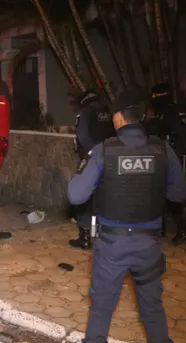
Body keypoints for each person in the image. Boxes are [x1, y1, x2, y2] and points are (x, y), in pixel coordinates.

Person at [66, 89, 186, 343]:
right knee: (152, 307)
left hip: (112, 245)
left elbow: (75, 195)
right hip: (148, 244)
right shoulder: (162, 150)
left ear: (119, 117)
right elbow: (179, 194)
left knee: (102, 307)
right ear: (144, 116)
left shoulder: (104, 150)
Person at [69, 89, 116, 250]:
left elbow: (82, 136)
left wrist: (93, 154)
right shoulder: (108, 113)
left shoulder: (85, 112)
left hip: (90, 160)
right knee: (105, 197)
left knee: (83, 197)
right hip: (110, 159)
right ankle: (106, 236)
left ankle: (85, 237)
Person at [148, 82, 186, 245]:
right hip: (162, 158)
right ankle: (161, 229)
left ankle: (183, 229)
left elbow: (183, 137)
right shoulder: (163, 112)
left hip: (171, 159)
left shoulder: (174, 111)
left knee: (172, 197)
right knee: (159, 195)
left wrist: (174, 156)